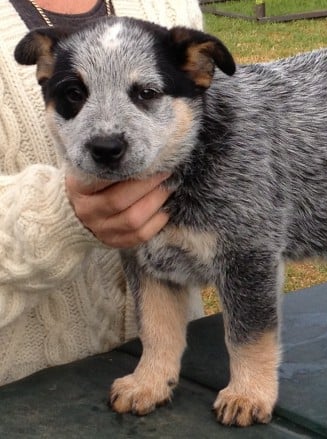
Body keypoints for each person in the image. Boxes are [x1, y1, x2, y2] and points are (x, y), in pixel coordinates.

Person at [0, 0, 205, 385]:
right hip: (30, 391)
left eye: (146, 91)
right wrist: (57, 216)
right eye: (74, 93)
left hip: (184, 372)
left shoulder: (172, 6)